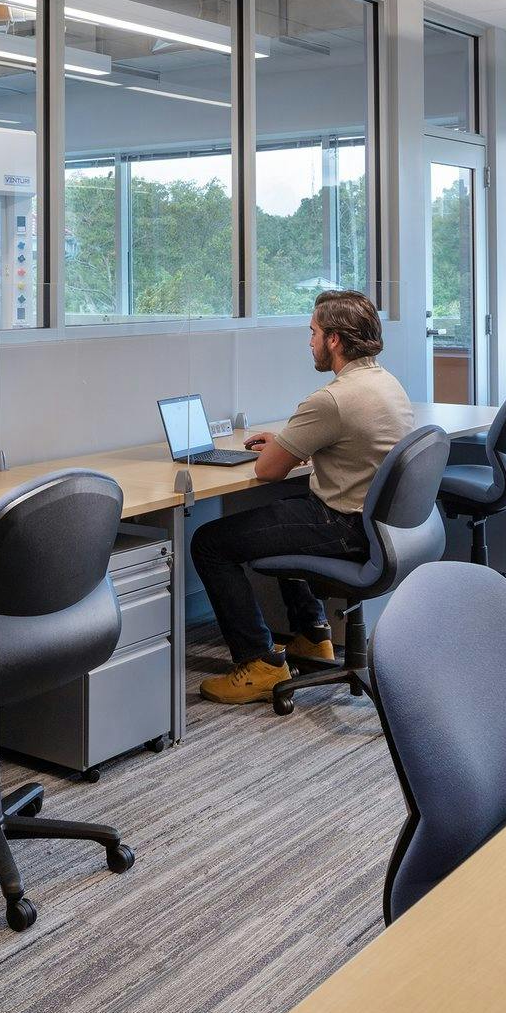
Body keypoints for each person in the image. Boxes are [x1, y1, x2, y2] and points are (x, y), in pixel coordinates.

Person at [192, 289, 415, 705]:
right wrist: (293, 442)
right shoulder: (386, 383)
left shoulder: (331, 398)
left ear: (333, 339)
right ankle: (312, 635)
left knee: (210, 543)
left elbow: (268, 470)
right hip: (376, 526)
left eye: (312, 332)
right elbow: (356, 443)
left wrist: (281, 450)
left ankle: (257, 663)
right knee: (277, 516)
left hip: (343, 526)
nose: (309, 341)